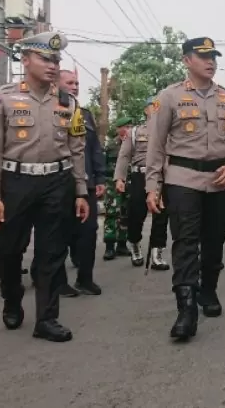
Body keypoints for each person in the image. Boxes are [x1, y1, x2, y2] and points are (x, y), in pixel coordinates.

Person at [0, 31, 89, 342]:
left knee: (52, 253)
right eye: (45, 58)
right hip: (15, 182)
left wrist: (80, 190)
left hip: (57, 181)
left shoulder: (68, 102)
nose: (53, 65)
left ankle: (47, 318)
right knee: (8, 251)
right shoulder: (0, 98)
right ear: (26, 59)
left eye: (56, 59)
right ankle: (12, 298)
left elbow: (77, 147)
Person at [145, 37, 225, 340]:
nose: (210, 61)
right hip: (182, 179)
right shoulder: (170, 97)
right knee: (186, 241)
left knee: (214, 240)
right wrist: (153, 186)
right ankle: (186, 307)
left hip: (220, 179)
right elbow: (156, 144)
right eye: (203, 56)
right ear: (187, 60)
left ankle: (209, 291)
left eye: (213, 56)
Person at [55, 69, 105, 296]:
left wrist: (100, 177)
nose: (75, 86)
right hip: (58, 182)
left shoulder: (84, 114)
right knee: (58, 233)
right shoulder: (50, 110)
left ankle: (85, 278)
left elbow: (94, 148)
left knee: (89, 231)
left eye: (77, 83)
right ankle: (56, 280)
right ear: (56, 85)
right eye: (70, 82)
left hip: (87, 183)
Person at [114, 97, 170, 271]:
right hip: (140, 177)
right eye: (153, 107)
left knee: (161, 217)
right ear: (146, 110)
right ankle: (135, 245)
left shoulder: (170, 132)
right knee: (136, 214)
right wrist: (120, 178)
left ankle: (157, 254)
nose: (156, 110)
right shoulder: (135, 132)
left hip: (162, 177)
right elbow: (124, 156)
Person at [103, 118, 133, 262]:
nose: (128, 129)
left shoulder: (134, 144)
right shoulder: (110, 146)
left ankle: (122, 244)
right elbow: (103, 166)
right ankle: (109, 246)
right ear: (118, 129)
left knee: (126, 213)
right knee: (111, 213)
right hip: (112, 184)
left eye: (129, 126)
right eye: (125, 126)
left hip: (129, 183)